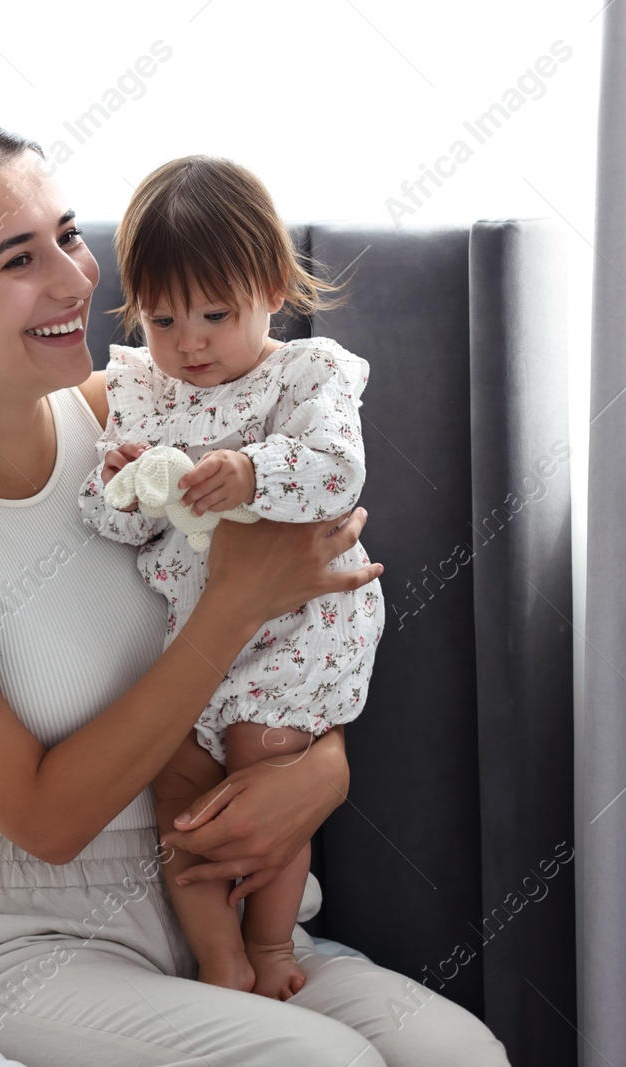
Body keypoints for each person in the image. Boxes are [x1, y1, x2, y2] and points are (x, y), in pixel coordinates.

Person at [0, 114, 511, 1066]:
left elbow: (301, 629)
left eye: (69, 233)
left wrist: (320, 767)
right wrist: (229, 607)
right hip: (20, 943)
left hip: (220, 908)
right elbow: (47, 822)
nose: (77, 279)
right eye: (18, 258)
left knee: (461, 1055)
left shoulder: (143, 411)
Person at [79, 154, 386, 1002]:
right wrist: (130, 481)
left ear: (274, 288)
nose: (190, 342)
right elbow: (111, 522)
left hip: (293, 631)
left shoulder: (306, 374)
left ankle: (273, 939)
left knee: (260, 768)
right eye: (163, 317)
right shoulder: (141, 388)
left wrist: (250, 473)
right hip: (193, 631)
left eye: (216, 313)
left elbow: (337, 471)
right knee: (177, 796)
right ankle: (220, 959)